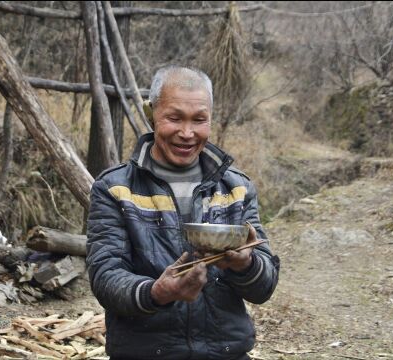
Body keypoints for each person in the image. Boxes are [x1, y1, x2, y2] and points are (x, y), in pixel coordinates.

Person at [86, 65, 280, 360]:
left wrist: (246, 264)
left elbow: (264, 288)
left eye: (199, 120)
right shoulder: (115, 189)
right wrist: (158, 292)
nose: (187, 133)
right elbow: (105, 277)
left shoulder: (236, 188)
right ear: (152, 114)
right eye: (174, 118)